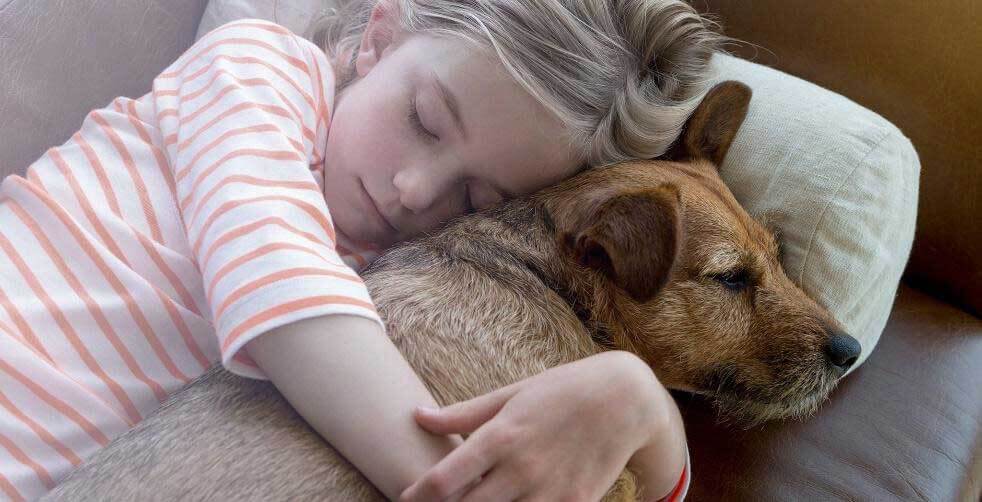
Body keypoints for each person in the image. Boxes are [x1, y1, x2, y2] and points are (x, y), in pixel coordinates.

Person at [0, 0, 721, 500]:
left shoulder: (405, 279)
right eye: (424, 119)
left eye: (476, 199)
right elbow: (284, 301)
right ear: (382, 32)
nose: (414, 191)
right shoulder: (257, 71)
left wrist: (643, 409)